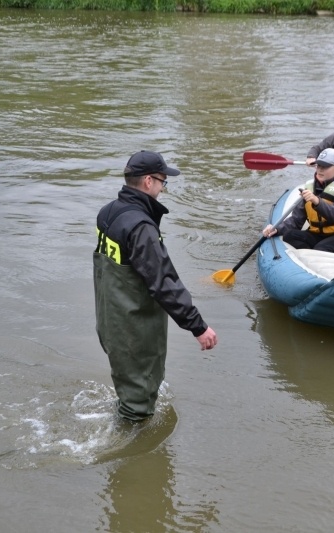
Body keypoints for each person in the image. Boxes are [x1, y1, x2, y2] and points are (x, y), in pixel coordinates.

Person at [94, 150, 218, 422]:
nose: (163, 188)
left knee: (128, 388)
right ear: (148, 181)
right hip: (134, 327)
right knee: (137, 409)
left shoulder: (108, 213)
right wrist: (197, 326)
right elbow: (163, 281)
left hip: (110, 320)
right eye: (163, 181)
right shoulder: (141, 227)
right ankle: (131, 443)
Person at [263, 148, 334, 255]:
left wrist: (316, 201)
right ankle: (309, 256)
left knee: (321, 249)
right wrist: (277, 229)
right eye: (318, 165)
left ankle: (316, 254)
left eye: (325, 167)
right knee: (289, 236)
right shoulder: (310, 187)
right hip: (317, 235)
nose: (320, 170)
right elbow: (296, 220)